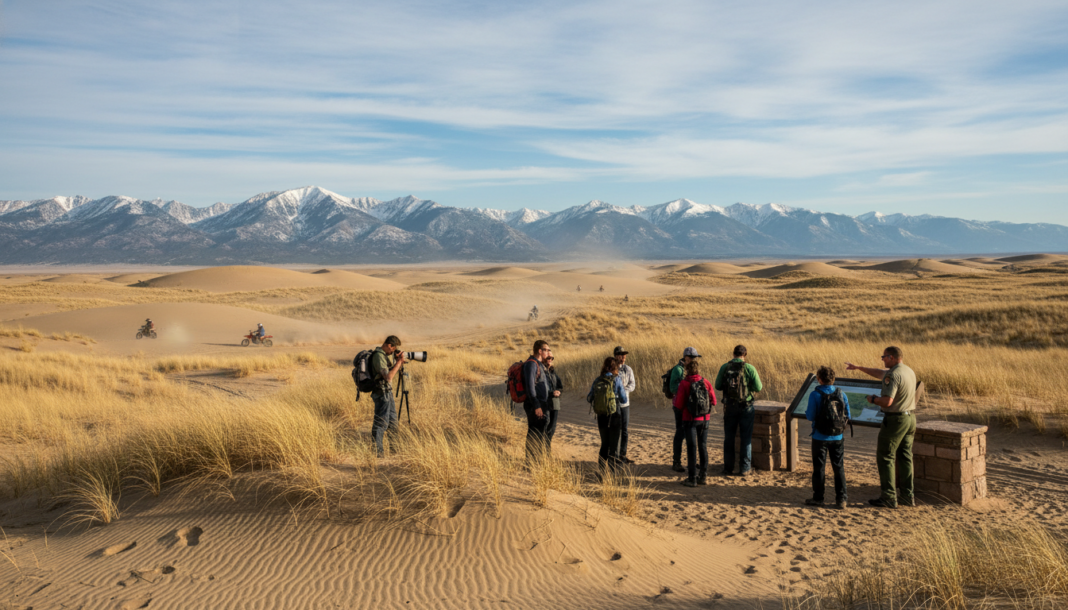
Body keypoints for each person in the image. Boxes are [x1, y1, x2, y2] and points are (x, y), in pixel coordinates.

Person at [846, 346, 918, 509]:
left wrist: (873, 399)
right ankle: (907, 496)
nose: (882, 359)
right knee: (905, 456)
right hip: (910, 418)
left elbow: (887, 401)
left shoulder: (892, 375)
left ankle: (888, 497)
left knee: (885, 457)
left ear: (892, 357)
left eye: (884, 357)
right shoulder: (907, 370)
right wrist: (858, 368)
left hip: (895, 420)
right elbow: (879, 372)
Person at [715, 345, 764, 476]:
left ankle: (728, 468)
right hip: (746, 407)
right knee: (746, 438)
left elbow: (718, 385)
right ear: (745, 355)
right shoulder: (749, 368)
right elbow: (758, 387)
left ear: (733, 354)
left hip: (730, 407)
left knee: (729, 438)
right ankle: (745, 468)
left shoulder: (725, 367)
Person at [805, 366, 850, 509]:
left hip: (820, 436)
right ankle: (841, 499)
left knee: (819, 467)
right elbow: (848, 414)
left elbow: (810, 416)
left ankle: (818, 498)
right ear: (833, 379)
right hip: (837, 436)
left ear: (819, 379)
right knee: (839, 467)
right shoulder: (841, 393)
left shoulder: (815, 394)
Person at [675, 359, 716, 487]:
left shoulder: (684, 383)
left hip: (690, 420)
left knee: (691, 448)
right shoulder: (706, 382)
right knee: (702, 446)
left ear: (687, 370)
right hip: (705, 419)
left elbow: (679, 405)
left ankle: (692, 478)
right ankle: (703, 476)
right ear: (698, 369)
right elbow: (713, 401)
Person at [587, 357, 628, 473]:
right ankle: (612, 472)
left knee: (604, 443)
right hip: (615, 415)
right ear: (615, 367)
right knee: (614, 445)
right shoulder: (617, 379)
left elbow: (589, 397)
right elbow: (624, 399)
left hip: (601, 416)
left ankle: (601, 471)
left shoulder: (597, 380)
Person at [370, 335, 407, 457]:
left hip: (387, 392)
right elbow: (388, 377)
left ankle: (394, 450)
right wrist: (399, 362)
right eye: (393, 349)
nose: (393, 352)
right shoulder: (378, 356)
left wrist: (397, 362)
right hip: (381, 393)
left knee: (392, 422)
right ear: (389, 345)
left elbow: (388, 372)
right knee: (381, 423)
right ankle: (378, 453)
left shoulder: (384, 356)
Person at [667, 347, 701, 472]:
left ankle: (692, 462)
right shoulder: (678, 369)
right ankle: (676, 462)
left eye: (695, 358)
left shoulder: (689, 369)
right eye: (692, 357)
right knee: (680, 433)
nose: (694, 360)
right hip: (679, 406)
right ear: (686, 357)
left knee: (690, 435)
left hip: (689, 406)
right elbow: (672, 388)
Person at [523, 340, 553, 460]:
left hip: (541, 405)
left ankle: (536, 459)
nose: (548, 353)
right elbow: (530, 387)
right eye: (546, 350)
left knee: (539, 433)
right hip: (535, 405)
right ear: (540, 351)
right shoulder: (531, 364)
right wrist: (536, 405)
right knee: (534, 433)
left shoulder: (539, 364)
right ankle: (530, 461)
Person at [613, 346, 636, 464]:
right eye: (621, 354)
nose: (623, 357)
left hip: (625, 403)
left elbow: (633, 384)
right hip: (614, 403)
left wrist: (624, 389)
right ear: (616, 355)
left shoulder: (628, 369)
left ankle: (623, 454)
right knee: (616, 429)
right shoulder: (611, 369)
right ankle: (615, 455)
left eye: (624, 355)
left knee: (625, 430)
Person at [544, 349, 563, 452]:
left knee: (552, 428)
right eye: (548, 358)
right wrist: (551, 393)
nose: (550, 360)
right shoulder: (540, 371)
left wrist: (559, 392)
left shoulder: (553, 372)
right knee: (545, 427)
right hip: (544, 404)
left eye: (552, 358)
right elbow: (538, 389)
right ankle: (544, 451)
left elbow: (560, 386)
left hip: (555, 404)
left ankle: (547, 449)